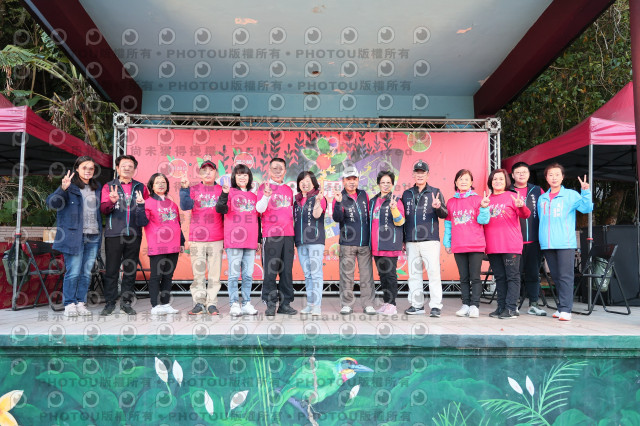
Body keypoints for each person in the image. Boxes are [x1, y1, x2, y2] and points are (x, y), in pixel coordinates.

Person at [46, 156, 102, 317]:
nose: (88, 171)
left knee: (86, 272)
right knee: (74, 271)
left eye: (91, 168)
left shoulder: (97, 187)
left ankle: (80, 302)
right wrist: (62, 189)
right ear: (77, 169)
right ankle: (69, 303)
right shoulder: (69, 186)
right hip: (74, 236)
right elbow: (52, 204)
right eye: (84, 168)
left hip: (93, 235)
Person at [538, 163, 593, 321]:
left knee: (565, 277)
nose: (554, 178)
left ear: (562, 177)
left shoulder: (571, 195)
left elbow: (587, 208)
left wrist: (585, 191)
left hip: (565, 243)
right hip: (547, 243)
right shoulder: (542, 198)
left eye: (557, 174)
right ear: (546, 178)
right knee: (556, 276)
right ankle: (561, 307)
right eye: (550, 175)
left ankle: (566, 310)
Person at [99, 155, 149, 316]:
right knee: (111, 269)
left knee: (130, 269)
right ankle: (110, 303)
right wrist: (112, 201)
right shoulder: (109, 186)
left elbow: (146, 211)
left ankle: (126, 302)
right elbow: (103, 209)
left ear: (135, 169)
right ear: (117, 168)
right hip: (114, 233)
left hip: (134, 234)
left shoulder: (141, 187)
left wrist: (141, 206)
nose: (127, 168)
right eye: (124, 165)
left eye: (130, 166)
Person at [401, 160, 447, 317]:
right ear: (413, 174)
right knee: (414, 275)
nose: (420, 175)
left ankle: (436, 306)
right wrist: (403, 239)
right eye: (417, 172)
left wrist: (438, 207)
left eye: (423, 172)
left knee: (433, 274)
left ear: (428, 175)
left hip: (430, 240)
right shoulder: (406, 194)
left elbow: (444, 214)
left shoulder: (435, 192)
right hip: (411, 241)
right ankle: (417, 305)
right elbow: (403, 218)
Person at [443, 169, 490, 318]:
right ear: (456, 182)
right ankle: (465, 304)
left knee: (475, 277)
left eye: (466, 179)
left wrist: (484, 207)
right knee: (463, 277)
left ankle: (475, 305)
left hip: (475, 244)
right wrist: (447, 242)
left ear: (471, 182)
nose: (463, 182)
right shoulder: (451, 202)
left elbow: (483, 220)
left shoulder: (478, 199)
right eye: (460, 179)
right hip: (459, 245)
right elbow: (448, 224)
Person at [484, 169, 531, 319]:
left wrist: (521, 206)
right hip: (492, 245)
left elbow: (526, 214)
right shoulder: (486, 199)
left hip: (511, 244)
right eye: (495, 179)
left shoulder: (512, 196)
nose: (497, 181)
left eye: (501, 179)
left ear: (506, 182)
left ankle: (511, 308)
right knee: (499, 277)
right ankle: (501, 307)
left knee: (512, 277)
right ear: (490, 182)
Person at [180, 160, 224, 315]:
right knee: (198, 273)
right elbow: (185, 206)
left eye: (211, 170)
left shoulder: (222, 190)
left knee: (214, 275)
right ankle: (199, 303)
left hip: (217, 237)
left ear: (216, 173)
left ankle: (211, 303)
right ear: (200, 173)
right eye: (204, 170)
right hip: (197, 237)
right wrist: (184, 189)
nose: (207, 173)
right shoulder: (193, 189)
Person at [215, 164, 259, 316]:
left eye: (245, 175)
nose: (242, 177)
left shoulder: (254, 196)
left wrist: (259, 239)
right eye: (239, 174)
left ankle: (246, 303)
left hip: (251, 240)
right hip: (234, 240)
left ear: (249, 178)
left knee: (248, 275)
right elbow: (220, 209)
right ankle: (234, 304)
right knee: (233, 275)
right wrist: (224, 194)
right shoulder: (230, 192)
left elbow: (258, 219)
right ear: (234, 177)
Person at [332, 165, 376, 315]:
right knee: (347, 276)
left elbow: (369, 216)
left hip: (364, 243)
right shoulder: (339, 196)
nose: (351, 182)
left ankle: (368, 304)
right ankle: (347, 304)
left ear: (358, 180)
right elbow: (337, 218)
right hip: (347, 243)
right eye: (348, 179)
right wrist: (339, 202)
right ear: (343, 181)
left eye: (354, 179)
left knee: (366, 276)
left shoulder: (364, 195)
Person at [139, 173, 184, 316]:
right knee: (156, 276)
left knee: (168, 276)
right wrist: (140, 206)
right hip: (157, 245)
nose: (161, 184)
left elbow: (177, 224)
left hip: (173, 245)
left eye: (163, 182)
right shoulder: (147, 202)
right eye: (157, 182)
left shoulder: (172, 204)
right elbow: (142, 222)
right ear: (152, 186)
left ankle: (165, 304)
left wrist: (181, 241)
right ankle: (155, 305)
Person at [257, 158, 297, 316]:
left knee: (286, 272)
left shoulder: (288, 190)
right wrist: (266, 196)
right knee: (271, 271)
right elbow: (259, 209)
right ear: (269, 170)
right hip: (271, 235)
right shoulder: (264, 187)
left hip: (288, 235)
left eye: (281, 168)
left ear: (285, 171)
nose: (278, 171)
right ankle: (270, 304)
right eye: (274, 168)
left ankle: (285, 304)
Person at [510, 162, 547, 316]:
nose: (521, 175)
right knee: (513, 275)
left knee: (533, 273)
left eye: (524, 172)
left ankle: (533, 304)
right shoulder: (507, 191)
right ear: (512, 175)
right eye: (518, 172)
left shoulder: (537, 190)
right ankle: (512, 304)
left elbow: (546, 211)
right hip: (512, 242)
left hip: (533, 240)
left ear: (529, 174)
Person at [370, 171, 405, 315]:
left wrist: (394, 208)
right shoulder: (373, 201)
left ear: (392, 185)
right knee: (383, 276)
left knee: (390, 276)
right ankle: (386, 303)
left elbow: (400, 222)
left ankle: (392, 305)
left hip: (390, 244)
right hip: (376, 245)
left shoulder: (396, 200)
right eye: (383, 182)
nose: (385, 185)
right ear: (378, 184)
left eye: (388, 183)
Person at [293, 171, 327, 316]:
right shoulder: (297, 200)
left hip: (315, 241)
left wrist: (318, 202)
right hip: (301, 242)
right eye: (302, 181)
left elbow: (316, 215)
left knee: (316, 273)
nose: (304, 183)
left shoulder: (319, 197)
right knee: (307, 274)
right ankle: (310, 304)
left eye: (308, 181)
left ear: (313, 183)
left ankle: (317, 306)